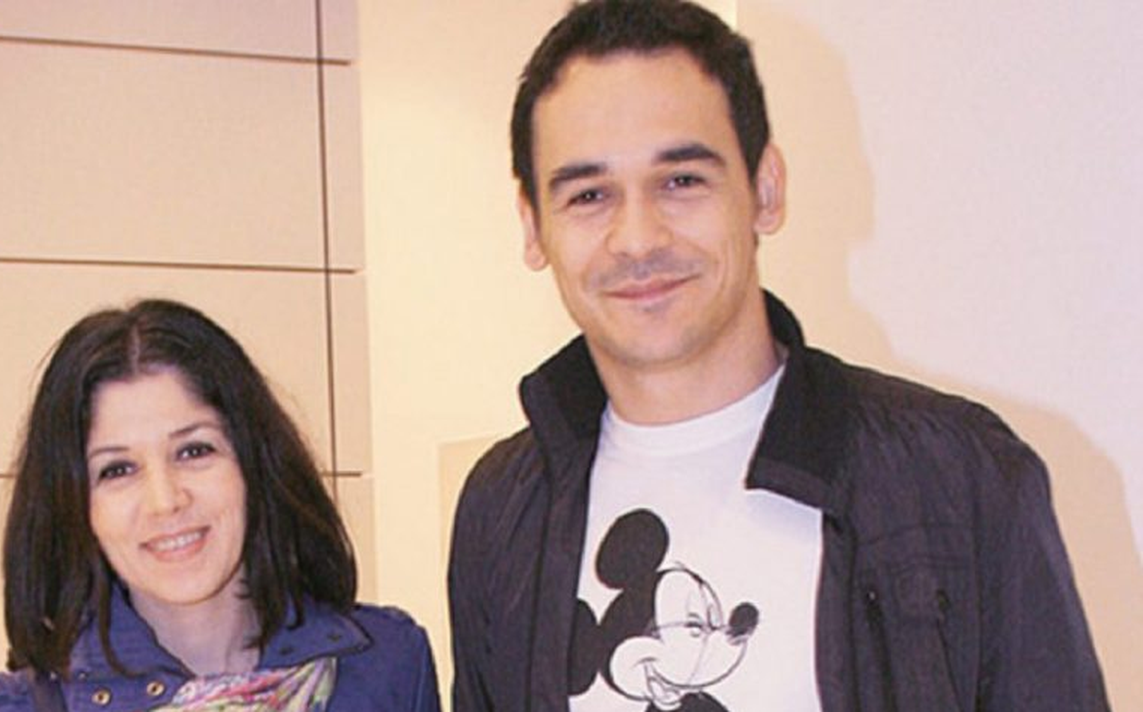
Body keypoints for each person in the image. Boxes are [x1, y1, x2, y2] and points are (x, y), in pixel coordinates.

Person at [447, 1, 1109, 710]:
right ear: (532, 226)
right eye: (589, 195)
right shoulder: (504, 508)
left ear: (765, 189)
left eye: (681, 181)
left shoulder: (957, 475)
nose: (637, 238)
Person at [0, 299, 440, 712]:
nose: (165, 500)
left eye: (194, 451)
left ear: (253, 461)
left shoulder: (387, 665)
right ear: (75, 506)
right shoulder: (19, 707)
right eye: (117, 470)